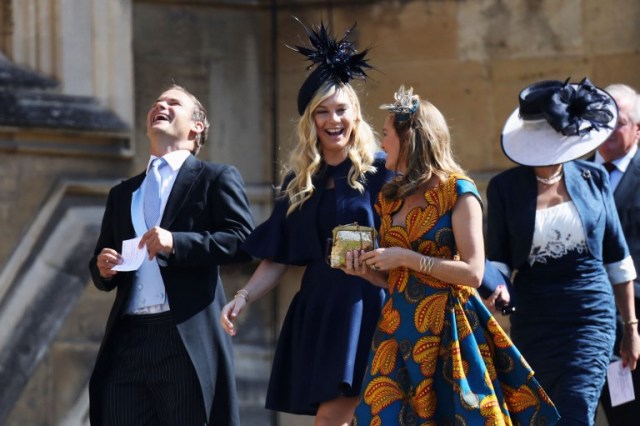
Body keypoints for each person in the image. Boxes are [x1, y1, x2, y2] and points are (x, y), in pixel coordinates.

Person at [344, 86, 559, 424]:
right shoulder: (389, 197)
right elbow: (396, 277)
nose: (381, 145)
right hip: (397, 330)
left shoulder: (459, 192)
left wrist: (405, 257)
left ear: (410, 140)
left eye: (386, 135)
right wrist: (368, 272)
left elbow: (474, 273)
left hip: (450, 331)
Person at [219, 21, 393, 426]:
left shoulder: (382, 171)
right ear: (310, 121)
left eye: (341, 109)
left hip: (368, 303)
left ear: (355, 113)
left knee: (332, 420)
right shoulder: (300, 181)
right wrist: (243, 297)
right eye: (322, 112)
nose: (333, 120)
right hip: (320, 307)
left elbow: (417, 234)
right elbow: (279, 255)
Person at [88, 84, 254, 426]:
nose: (160, 105)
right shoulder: (123, 193)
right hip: (129, 337)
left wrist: (176, 243)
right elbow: (100, 264)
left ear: (197, 126)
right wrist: (104, 268)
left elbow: (242, 240)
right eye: (156, 102)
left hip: (182, 335)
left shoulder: (215, 178)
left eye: (172, 102)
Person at [486, 78, 640, 425]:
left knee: (576, 408)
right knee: (543, 416)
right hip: (534, 320)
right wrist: (493, 292)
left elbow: (617, 257)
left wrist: (630, 326)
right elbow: (497, 261)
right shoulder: (504, 188)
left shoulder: (593, 177)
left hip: (590, 317)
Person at [594, 84, 640, 424]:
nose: (608, 130)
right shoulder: (570, 175)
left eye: (618, 123)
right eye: (602, 121)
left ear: (637, 128)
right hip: (592, 323)